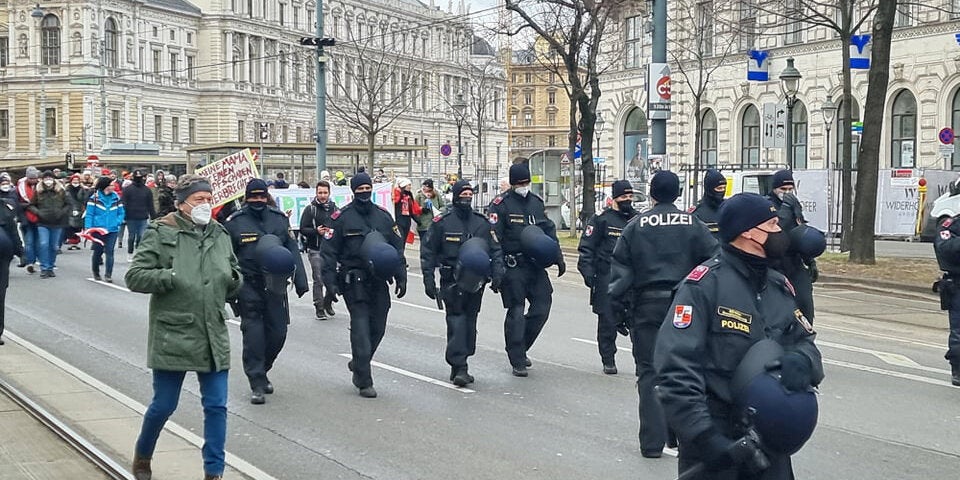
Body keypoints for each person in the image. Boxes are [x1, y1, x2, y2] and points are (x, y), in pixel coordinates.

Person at [654, 192, 824, 480]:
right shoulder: (703, 287)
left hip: (769, 438)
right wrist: (704, 437)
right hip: (717, 440)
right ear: (748, 232)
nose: (780, 232)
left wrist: (802, 361)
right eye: (772, 226)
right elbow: (675, 368)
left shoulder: (779, 286)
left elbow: (806, 342)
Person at [125, 174, 242, 480]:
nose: (206, 204)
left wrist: (233, 280)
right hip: (174, 332)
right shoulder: (161, 232)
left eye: (209, 198)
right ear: (181, 204)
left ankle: (213, 471)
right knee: (164, 405)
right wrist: (171, 277)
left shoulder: (220, 233)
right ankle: (143, 454)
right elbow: (135, 276)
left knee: (217, 406)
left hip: (212, 330)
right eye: (199, 199)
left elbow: (234, 269)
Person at [607, 171, 719, 458]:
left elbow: (620, 272)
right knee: (689, 370)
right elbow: (714, 262)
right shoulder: (693, 223)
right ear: (678, 193)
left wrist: (616, 310)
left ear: (652, 194)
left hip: (647, 307)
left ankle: (652, 443)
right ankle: (684, 435)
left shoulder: (636, 226)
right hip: (685, 306)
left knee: (649, 373)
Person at [322, 172, 407, 398]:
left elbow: (397, 247)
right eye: (359, 190)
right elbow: (328, 252)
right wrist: (329, 282)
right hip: (353, 279)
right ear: (353, 191)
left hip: (379, 279)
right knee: (360, 328)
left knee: (378, 327)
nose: (364, 193)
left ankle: (360, 361)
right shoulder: (341, 218)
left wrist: (401, 274)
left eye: (367, 189)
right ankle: (363, 379)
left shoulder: (383, 216)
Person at [224, 179, 309, 405]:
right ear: (246, 198)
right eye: (253, 197)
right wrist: (229, 287)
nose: (258, 201)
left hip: (275, 285)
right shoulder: (234, 222)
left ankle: (263, 368)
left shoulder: (279, 219)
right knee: (253, 335)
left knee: (278, 333)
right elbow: (226, 257)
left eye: (262, 196)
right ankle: (256, 382)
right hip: (248, 285)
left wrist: (301, 280)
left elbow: (292, 249)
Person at [421, 180, 504, 386]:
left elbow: (495, 249)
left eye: (469, 193)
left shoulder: (482, 223)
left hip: (476, 281)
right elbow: (428, 252)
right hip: (452, 281)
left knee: (470, 321)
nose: (467, 197)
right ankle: (459, 366)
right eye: (463, 193)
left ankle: (463, 358)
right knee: (456, 321)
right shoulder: (442, 222)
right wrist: (428, 279)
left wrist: (497, 274)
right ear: (456, 196)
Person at [487, 163, 565, 376]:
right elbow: (493, 237)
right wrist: (497, 267)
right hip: (512, 266)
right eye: (520, 183)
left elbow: (548, 230)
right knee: (516, 311)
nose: (524, 186)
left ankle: (521, 345)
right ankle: (517, 358)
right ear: (512, 184)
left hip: (535, 265)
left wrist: (557, 256)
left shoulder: (536, 203)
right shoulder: (500, 205)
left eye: (526, 182)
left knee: (542, 306)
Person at [577, 180, 639, 375]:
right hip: (607, 278)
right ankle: (608, 359)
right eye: (623, 197)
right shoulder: (601, 220)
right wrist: (590, 276)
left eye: (630, 197)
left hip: (633, 280)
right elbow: (587, 249)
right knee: (607, 322)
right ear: (614, 198)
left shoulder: (638, 220)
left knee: (637, 323)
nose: (627, 200)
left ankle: (641, 361)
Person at [766, 170, 817, 321]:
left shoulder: (794, 205)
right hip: (776, 265)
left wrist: (810, 261)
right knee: (781, 311)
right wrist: (786, 208)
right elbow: (776, 231)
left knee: (805, 306)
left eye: (790, 189)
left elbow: (800, 233)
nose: (787, 193)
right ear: (775, 189)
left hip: (795, 263)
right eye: (783, 189)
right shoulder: (768, 205)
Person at [299, 180, 339, 320]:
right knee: (319, 278)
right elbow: (303, 229)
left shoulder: (335, 209)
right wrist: (316, 231)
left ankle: (328, 301)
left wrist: (333, 231)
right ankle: (319, 306)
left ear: (329, 193)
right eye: (320, 193)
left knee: (332, 278)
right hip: (315, 249)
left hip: (331, 251)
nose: (323, 195)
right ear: (316, 193)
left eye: (325, 193)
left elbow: (340, 228)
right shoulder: (310, 210)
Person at [933, 213, 960, 385]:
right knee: (959, 332)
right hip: (958, 285)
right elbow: (944, 246)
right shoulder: (951, 223)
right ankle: (958, 368)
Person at [28, 171, 69, 278]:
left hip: (57, 222)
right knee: (43, 244)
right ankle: (44, 268)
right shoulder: (38, 191)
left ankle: (50, 267)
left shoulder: (61, 191)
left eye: (50, 178)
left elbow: (68, 204)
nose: (48, 180)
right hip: (43, 222)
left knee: (53, 246)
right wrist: (38, 212)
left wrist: (62, 212)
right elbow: (31, 205)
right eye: (46, 178)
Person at [84, 176, 125, 282]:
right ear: (105, 186)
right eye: (111, 185)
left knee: (110, 251)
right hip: (98, 230)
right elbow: (89, 214)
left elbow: (121, 212)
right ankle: (96, 271)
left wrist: (117, 222)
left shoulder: (116, 197)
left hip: (112, 230)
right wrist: (88, 228)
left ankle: (108, 274)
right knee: (98, 251)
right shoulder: (95, 198)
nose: (114, 186)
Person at [0, 193, 24, 345]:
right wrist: (20, 251)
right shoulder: (6, 206)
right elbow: (13, 231)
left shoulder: (6, 206)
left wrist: (20, 251)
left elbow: (13, 231)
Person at [122, 170, 156, 262]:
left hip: (143, 216)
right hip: (131, 217)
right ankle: (130, 253)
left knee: (141, 236)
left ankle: (138, 252)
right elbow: (124, 204)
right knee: (131, 236)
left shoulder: (147, 190)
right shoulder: (128, 190)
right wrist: (123, 216)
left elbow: (150, 205)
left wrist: (154, 217)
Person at [16, 167, 40, 271]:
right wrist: (27, 206)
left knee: (39, 242)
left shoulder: (41, 186)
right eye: (31, 178)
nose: (33, 180)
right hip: (26, 218)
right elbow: (16, 203)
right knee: (29, 241)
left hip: (40, 218)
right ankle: (30, 262)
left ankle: (36, 259)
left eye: (35, 178)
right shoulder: (19, 188)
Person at [691, 169, 726, 239]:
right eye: (719, 188)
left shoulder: (728, 207)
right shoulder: (698, 213)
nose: (722, 191)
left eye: (724, 188)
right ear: (709, 189)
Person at [393, 177, 420, 242]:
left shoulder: (409, 196)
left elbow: (411, 209)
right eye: (409, 185)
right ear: (404, 185)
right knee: (400, 239)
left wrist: (417, 220)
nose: (410, 187)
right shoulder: (397, 194)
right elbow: (395, 201)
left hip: (407, 220)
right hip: (399, 219)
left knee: (404, 239)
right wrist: (398, 192)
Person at [64, 174, 87, 250]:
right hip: (69, 209)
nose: (75, 181)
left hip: (80, 209)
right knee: (70, 226)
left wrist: (84, 208)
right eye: (74, 180)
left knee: (78, 226)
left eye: (77, 180)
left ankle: (76, 242)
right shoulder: (67, 189)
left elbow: (84, 199)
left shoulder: (82, 189)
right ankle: (71, 242)